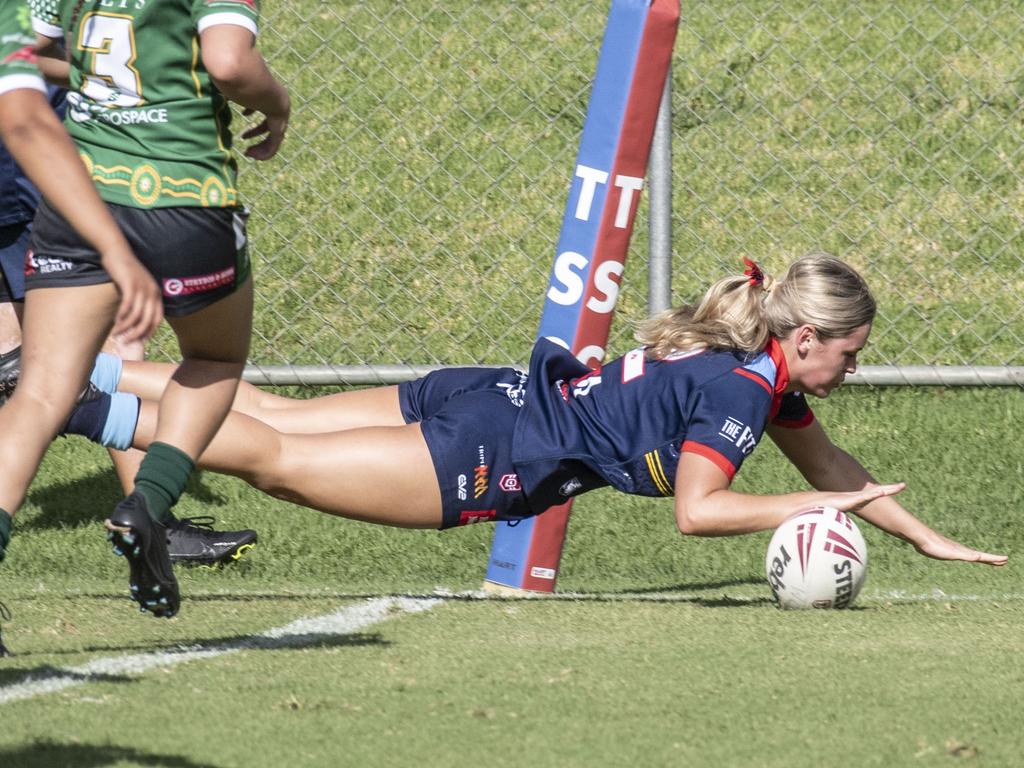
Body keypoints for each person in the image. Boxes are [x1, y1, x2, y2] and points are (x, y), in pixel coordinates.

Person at [54, 254, 1007, 581]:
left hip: (490, 393)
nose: (855, 366)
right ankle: (65, 399)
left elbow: (835, 469)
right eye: (853, 349)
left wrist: (926, 537)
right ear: (806, 340)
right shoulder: (740, 391)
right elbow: (701, 511)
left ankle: (60, 368)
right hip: (494, 449)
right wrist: (814, 518)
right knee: (268, 456)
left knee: (271, 412)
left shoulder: (754, 365)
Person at [0, 0, 290, 620]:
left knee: (42, 393)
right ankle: (148, 504)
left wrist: (89, 79)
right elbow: (229, 61)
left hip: (80, 193)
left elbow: (28, 52)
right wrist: (278, 101)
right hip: (185, 191)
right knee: (213, 358)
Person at [0, 87, 258, 569]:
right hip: (30, 156)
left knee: (20, 363)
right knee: (103, 341)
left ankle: (151, 519)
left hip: (22, 148)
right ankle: (153, 521)